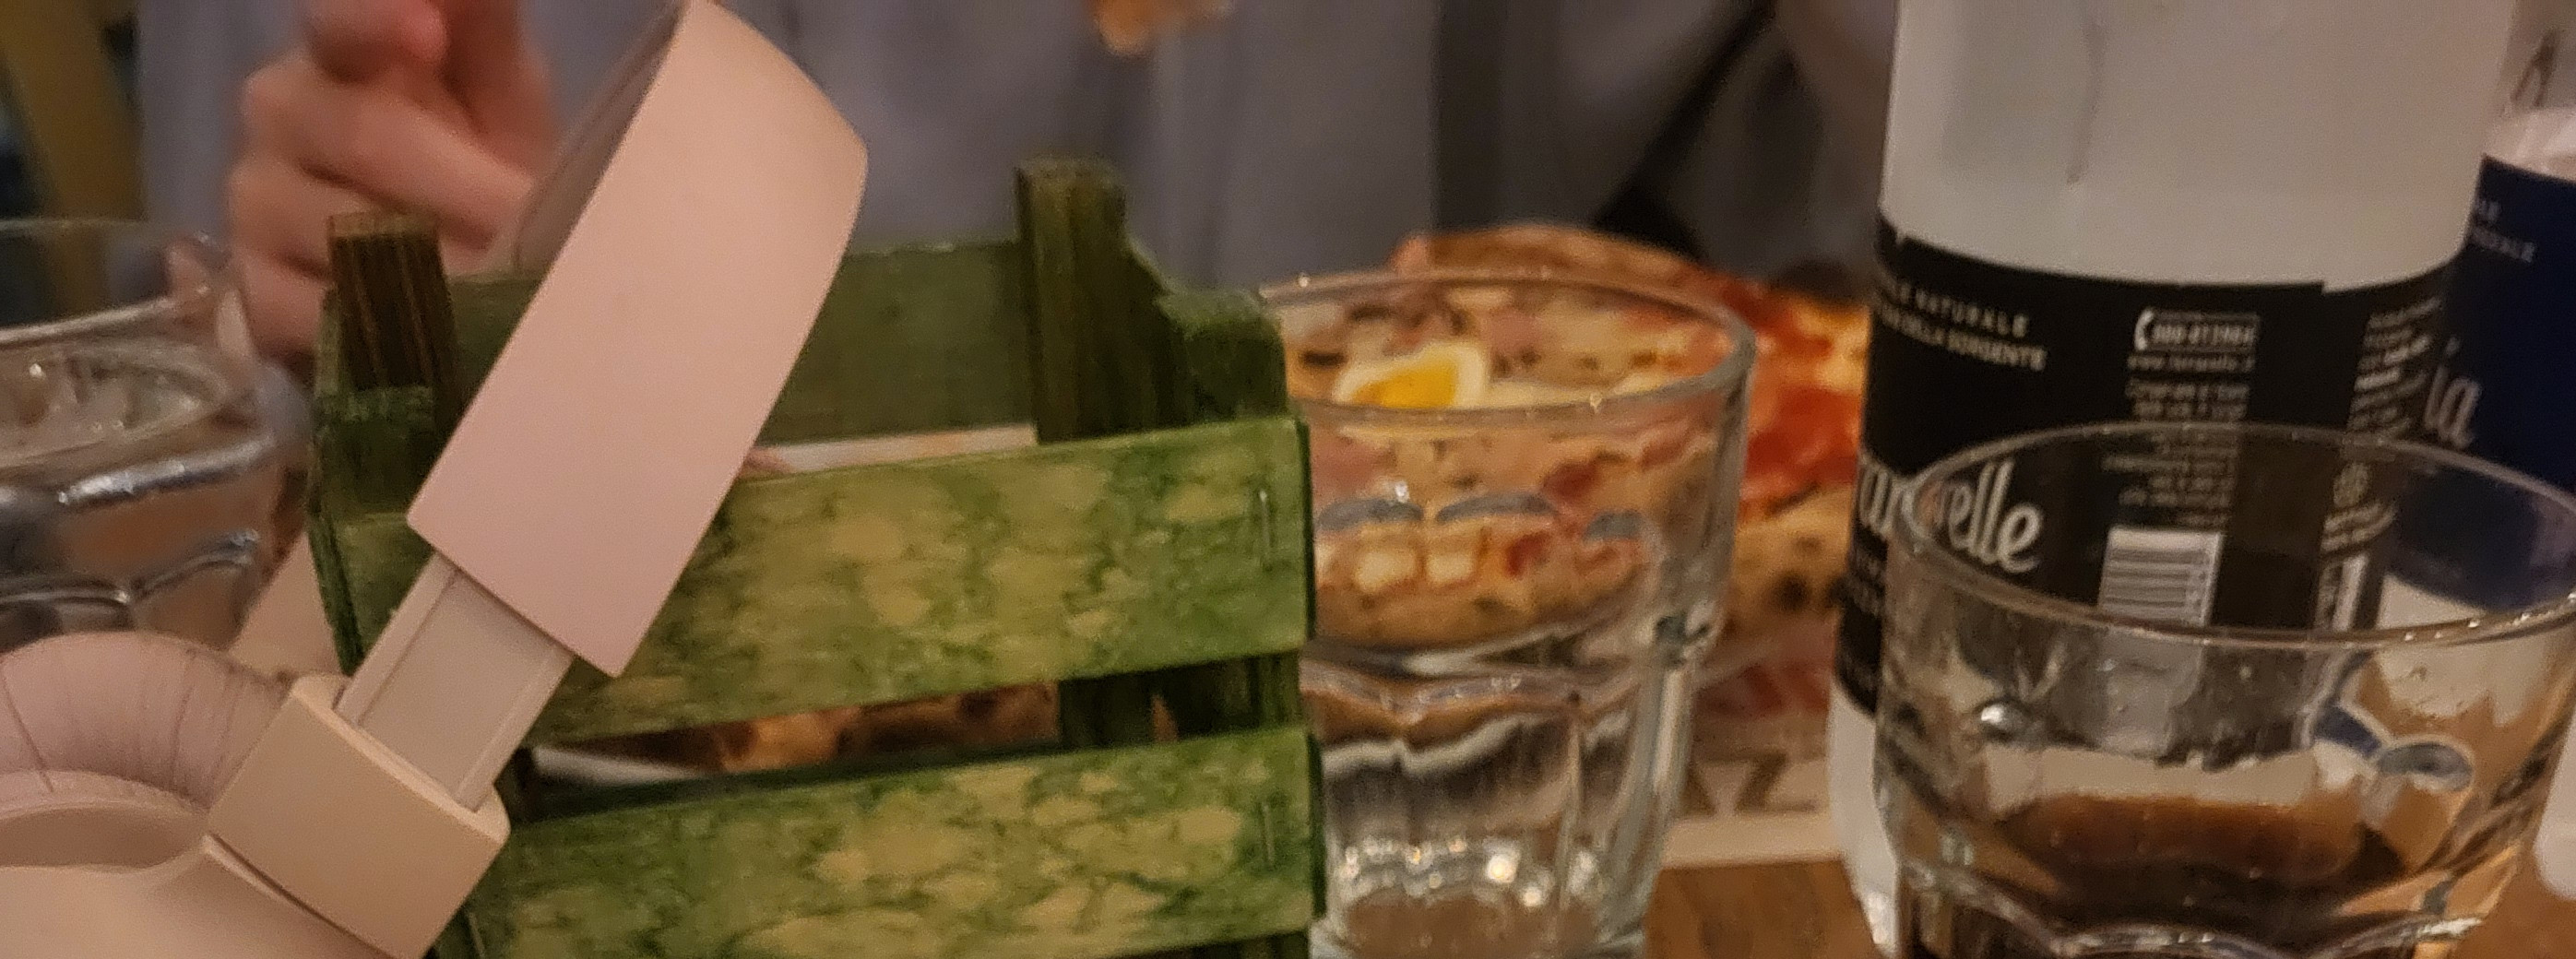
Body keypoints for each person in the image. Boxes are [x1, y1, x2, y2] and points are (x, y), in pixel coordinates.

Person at [140, 0, 1895, 368]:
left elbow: (1944, 256)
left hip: (1483, 764)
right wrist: (450, 275)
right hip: (674, 733)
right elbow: (207, 419)